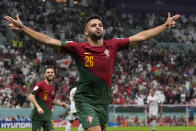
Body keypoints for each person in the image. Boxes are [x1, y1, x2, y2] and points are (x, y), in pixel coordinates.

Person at [4, 12, 180, 131]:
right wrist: (24, 28)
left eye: (100, 24)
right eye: (93, 25)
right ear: (86, 31)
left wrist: (164, 26)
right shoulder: (78, 48)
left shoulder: (113, 45)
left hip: (103, 101)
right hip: (85, 100)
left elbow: (140, 37)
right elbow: (49, 41)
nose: (98, 26)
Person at [28, 66, 67, 131]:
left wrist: (61, 104)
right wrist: (38, 107)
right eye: (48, 72)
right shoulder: (39, 84)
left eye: (52, 72)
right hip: (38, 116)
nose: (50, 73)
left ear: (54, 74)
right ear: (45, 75)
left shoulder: (53, 87)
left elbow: (52, 101)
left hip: (48, 116)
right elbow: (31, 96)